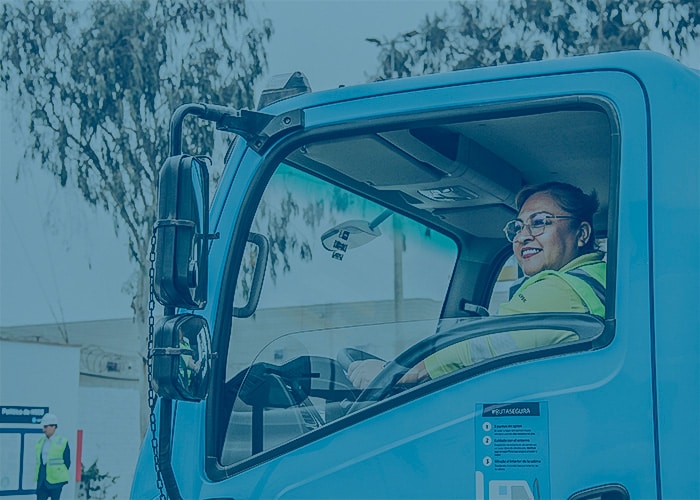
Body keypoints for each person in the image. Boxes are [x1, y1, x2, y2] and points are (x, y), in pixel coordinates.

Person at [347, 181, 606, 388]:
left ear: (581, 234)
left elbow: (487, 344)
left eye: (539, 223)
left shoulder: (561, 288)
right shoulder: (595, 278)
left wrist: (402, 372)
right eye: (518, 227)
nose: (523, 237)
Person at [35, 413, 70, 500]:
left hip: (56, 481)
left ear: (53, 427)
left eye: (46, 427)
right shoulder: (40, 442)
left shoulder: (62, 442)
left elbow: (67, 462)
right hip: (42, 481)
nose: (44, 429)